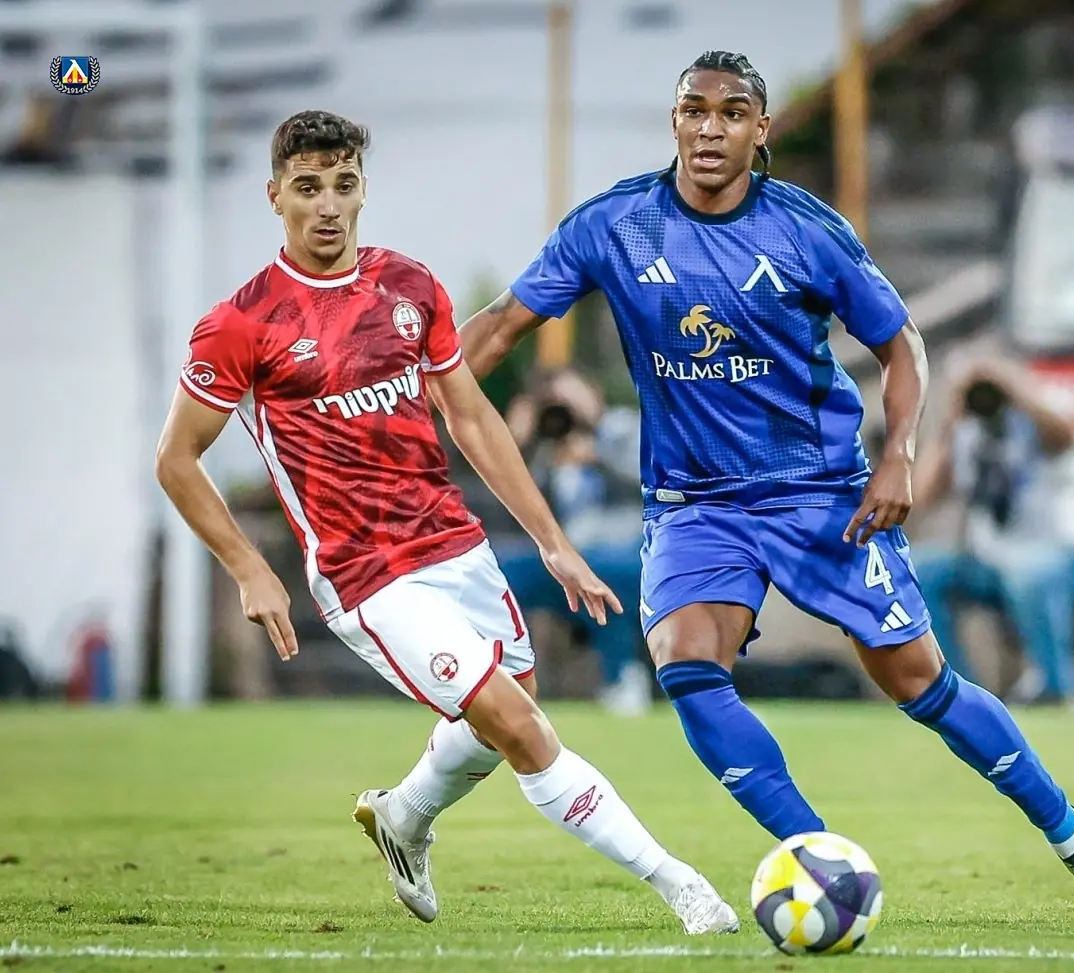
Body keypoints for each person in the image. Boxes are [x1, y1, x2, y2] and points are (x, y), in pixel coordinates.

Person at [459, 52, 1074, 923]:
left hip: (820, 494)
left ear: (761, 130)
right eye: (694, 110)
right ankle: (821, 860)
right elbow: (497, 328)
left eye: (731, 112)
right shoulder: (615, 225)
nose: (710, 127)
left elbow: (902, 344)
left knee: (920, 683)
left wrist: (900, 454)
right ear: (674, 122)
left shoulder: (806, 229)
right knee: (686, 664)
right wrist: (414, 385)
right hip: (695, 503)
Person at [153, 110, 737, 934]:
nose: (328, 205)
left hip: (454, 544)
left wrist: (553, 542)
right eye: (309, 188)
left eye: (344, 184)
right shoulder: (242, 323)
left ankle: (404, 815)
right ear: (275, 195)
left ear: (363, 189)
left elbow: (472, 418)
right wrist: (250, 566)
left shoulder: (409, 286)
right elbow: (177, 458)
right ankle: (682, 885)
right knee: (521, 726)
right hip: (366, 573)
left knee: (508, 710)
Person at [910, 350, 1074, 713]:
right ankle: (958, 697)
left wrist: (1011, 389)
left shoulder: (1049, 403)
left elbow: (1064, 436)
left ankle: (1058, 692)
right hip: (995, 562)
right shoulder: (965, 427)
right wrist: (951, 420)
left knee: (1028, 569)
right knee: (916, 571)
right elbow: (919, 496)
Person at [493, 368, 654, 714]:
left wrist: (599, 458)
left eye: (573, 395)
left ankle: (622, 676)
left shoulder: (623, 428)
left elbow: (654, 483)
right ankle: (492, 677)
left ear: (593, 393)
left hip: (630, 552)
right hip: (567, 561)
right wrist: (515, 446)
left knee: (604, 576)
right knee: (498, 570)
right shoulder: (548, 447)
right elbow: (517, 514)